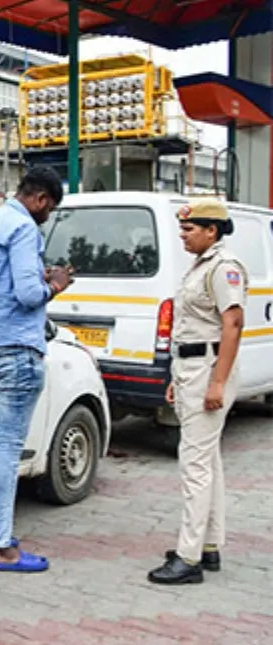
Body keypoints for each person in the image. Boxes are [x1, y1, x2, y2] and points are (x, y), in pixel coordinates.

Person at [0, 166, 72, 573]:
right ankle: (1, 545)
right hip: (18, 351)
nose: (46, 218)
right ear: (41, 199)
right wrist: (56, 284)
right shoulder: (25, 228)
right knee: (8, 449)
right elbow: (29, 295)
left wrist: (36, 279)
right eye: (49, 210)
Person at [148, 199, 246, 585]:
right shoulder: (203, 266)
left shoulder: (225, 268)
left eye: (189, 230)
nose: (182, 235)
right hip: (193, 367)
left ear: (212, 231)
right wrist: (179, 375)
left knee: (195, 465)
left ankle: (188, 559)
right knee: (209, 463)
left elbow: (233, 325)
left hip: (207, 369)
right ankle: (208, 546)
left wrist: (216, 382)